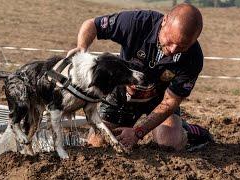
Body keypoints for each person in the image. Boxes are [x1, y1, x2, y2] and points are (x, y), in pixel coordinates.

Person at [67, 3, 213, 151]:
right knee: (97, 142)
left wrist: (138, 133)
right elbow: (92, 25)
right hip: (122, 95)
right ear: (164, 21)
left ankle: (188, 130)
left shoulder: (194, 58)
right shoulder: (136, 23)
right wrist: (81, 48)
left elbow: (171, 101)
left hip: (159, 100)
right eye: (170, 40)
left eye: (182, 46)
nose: (173, 49)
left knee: (169, 143)